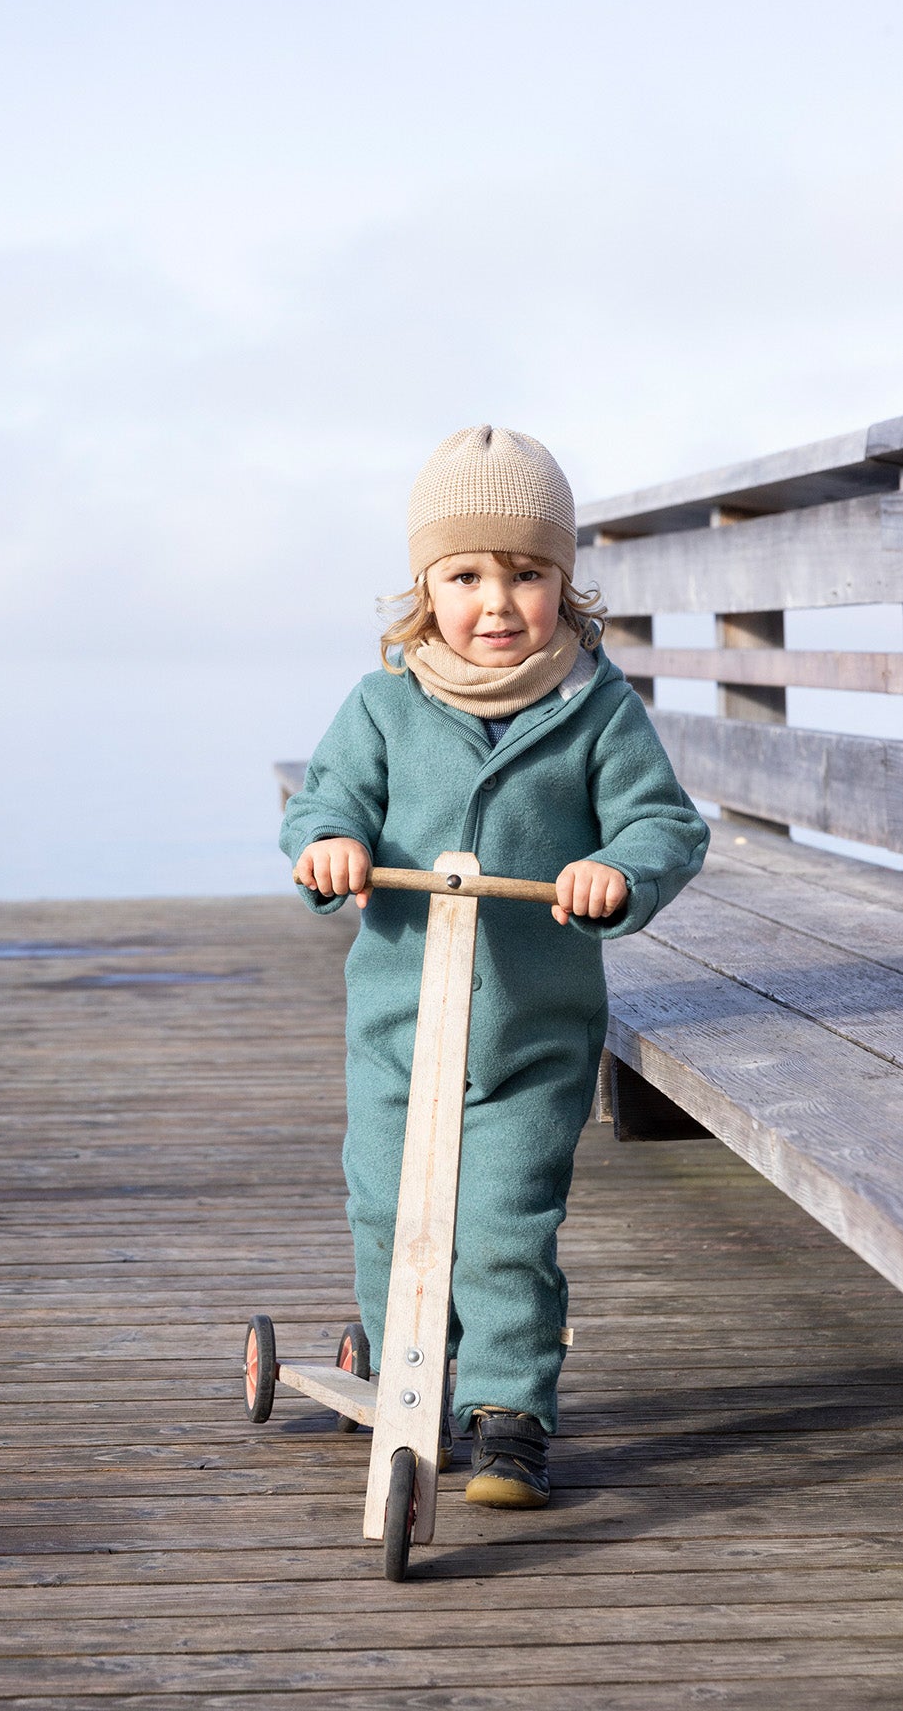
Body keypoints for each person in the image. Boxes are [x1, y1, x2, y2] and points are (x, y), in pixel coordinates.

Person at [280, 424, 708, 1508]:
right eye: (466, 576)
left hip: (531, 1026)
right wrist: (330, 845)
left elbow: (664, 824)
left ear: (565, 585)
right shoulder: (382, 706)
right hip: (399, 1025)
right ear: (426, 588)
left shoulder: (596, 707)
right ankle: (402, 1364)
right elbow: (327, 802)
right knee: (388, 1206)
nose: (498, 602)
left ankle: (509, 1411)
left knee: (506, 1221)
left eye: (526, 574)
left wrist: (615, 868)